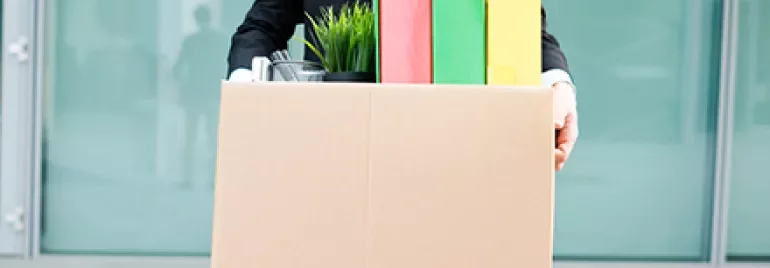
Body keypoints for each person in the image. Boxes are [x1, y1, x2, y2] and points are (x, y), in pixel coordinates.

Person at [226, 1, 578, 171]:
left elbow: (522, 30)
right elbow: (260, 29)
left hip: (445, 146)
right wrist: (246, 91)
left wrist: (559, 85)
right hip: (337, 147)